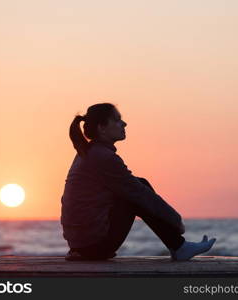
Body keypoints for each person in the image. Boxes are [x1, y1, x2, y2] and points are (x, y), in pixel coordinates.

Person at [60, 103, 216, 261]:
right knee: (137, 192)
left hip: (82, 247)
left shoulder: (87, 153)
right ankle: (180, 247)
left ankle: (178, 247)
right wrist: (176, 221)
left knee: (137, 185)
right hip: (93, 248)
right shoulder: (103, 157)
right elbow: (140, 193)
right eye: (117, 120)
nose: (124, 124)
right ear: (102, 127)